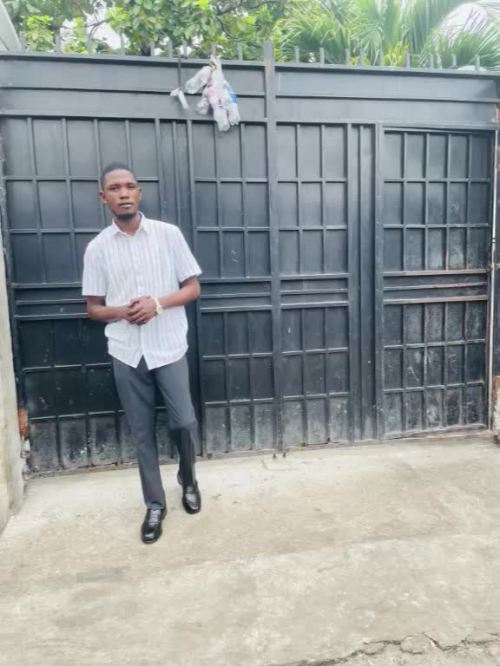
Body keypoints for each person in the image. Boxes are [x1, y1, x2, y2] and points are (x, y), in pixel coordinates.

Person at [82, 162, 202, 544]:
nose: (124, 193)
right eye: (115, 188)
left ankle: (188, 478)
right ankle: (155, 504)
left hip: (168, 346)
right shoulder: (97, 248)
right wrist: (123, 311)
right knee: (141, 432)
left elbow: (193, 288)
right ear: (103, 197)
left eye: (130, 186)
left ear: (139, 192)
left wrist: (157, 304)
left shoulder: (168, 235)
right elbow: (93, 307)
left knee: (184, 422)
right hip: (126, 351)